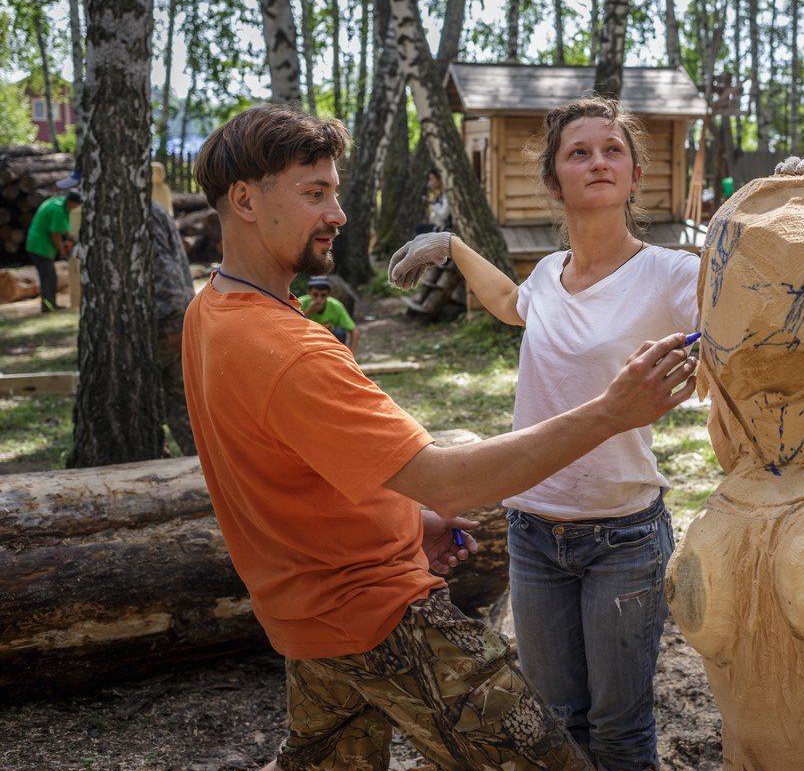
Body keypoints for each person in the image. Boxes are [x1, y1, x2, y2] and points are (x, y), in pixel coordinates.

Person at [182, 104, 697, 771]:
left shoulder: (210, 311)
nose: (337, 214)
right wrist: (611, 411)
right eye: (316, 195)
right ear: (245, 201)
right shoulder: (291, 350)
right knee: (553, 758)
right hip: (384, 618)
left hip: (306, 623)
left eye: (334, 193)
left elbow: (295, 468)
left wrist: (404, 517)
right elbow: (451, 478)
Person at [389, 95, 701, 771]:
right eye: (579, 152)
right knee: (556, 724)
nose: (598, 161)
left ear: (636, 176)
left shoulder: (672, 274)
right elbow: (509, 304)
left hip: (623, 536)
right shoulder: (548, 274)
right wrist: (452, 245)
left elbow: (749, 311)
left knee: (619, 732)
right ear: (554, 181)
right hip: (532, 533)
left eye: (612, 149)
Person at [151, 200, 197, 455]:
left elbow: (164, 269)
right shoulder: (153, 209)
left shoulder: (143, 213)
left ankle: (200, 464)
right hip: (174, 316)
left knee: (172, 399)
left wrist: (173, 320)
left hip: (167, 320)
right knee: (180, 401)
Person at [25, 191, 81, 312]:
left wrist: (70, 238)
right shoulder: (58, 211)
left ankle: (50, 304)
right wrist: (62, 250)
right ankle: (48, 306)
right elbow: (56, 235)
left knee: (50, 276)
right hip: (40, 246)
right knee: (48, 277)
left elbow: (62, 229)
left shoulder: (60, 203)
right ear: (73, 203)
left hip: (38, 244)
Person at [299, 276, 359, 355]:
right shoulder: (300, 303)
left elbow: (354, 332)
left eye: (323, 295)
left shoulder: (336, 306)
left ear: (328, 294)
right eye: (315, 295)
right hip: (309, 341)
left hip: (329, 342)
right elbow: (294, 326)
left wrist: (352, 355)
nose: (319, 299)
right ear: (309, 292)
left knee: (340, 332)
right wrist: (309, 311)